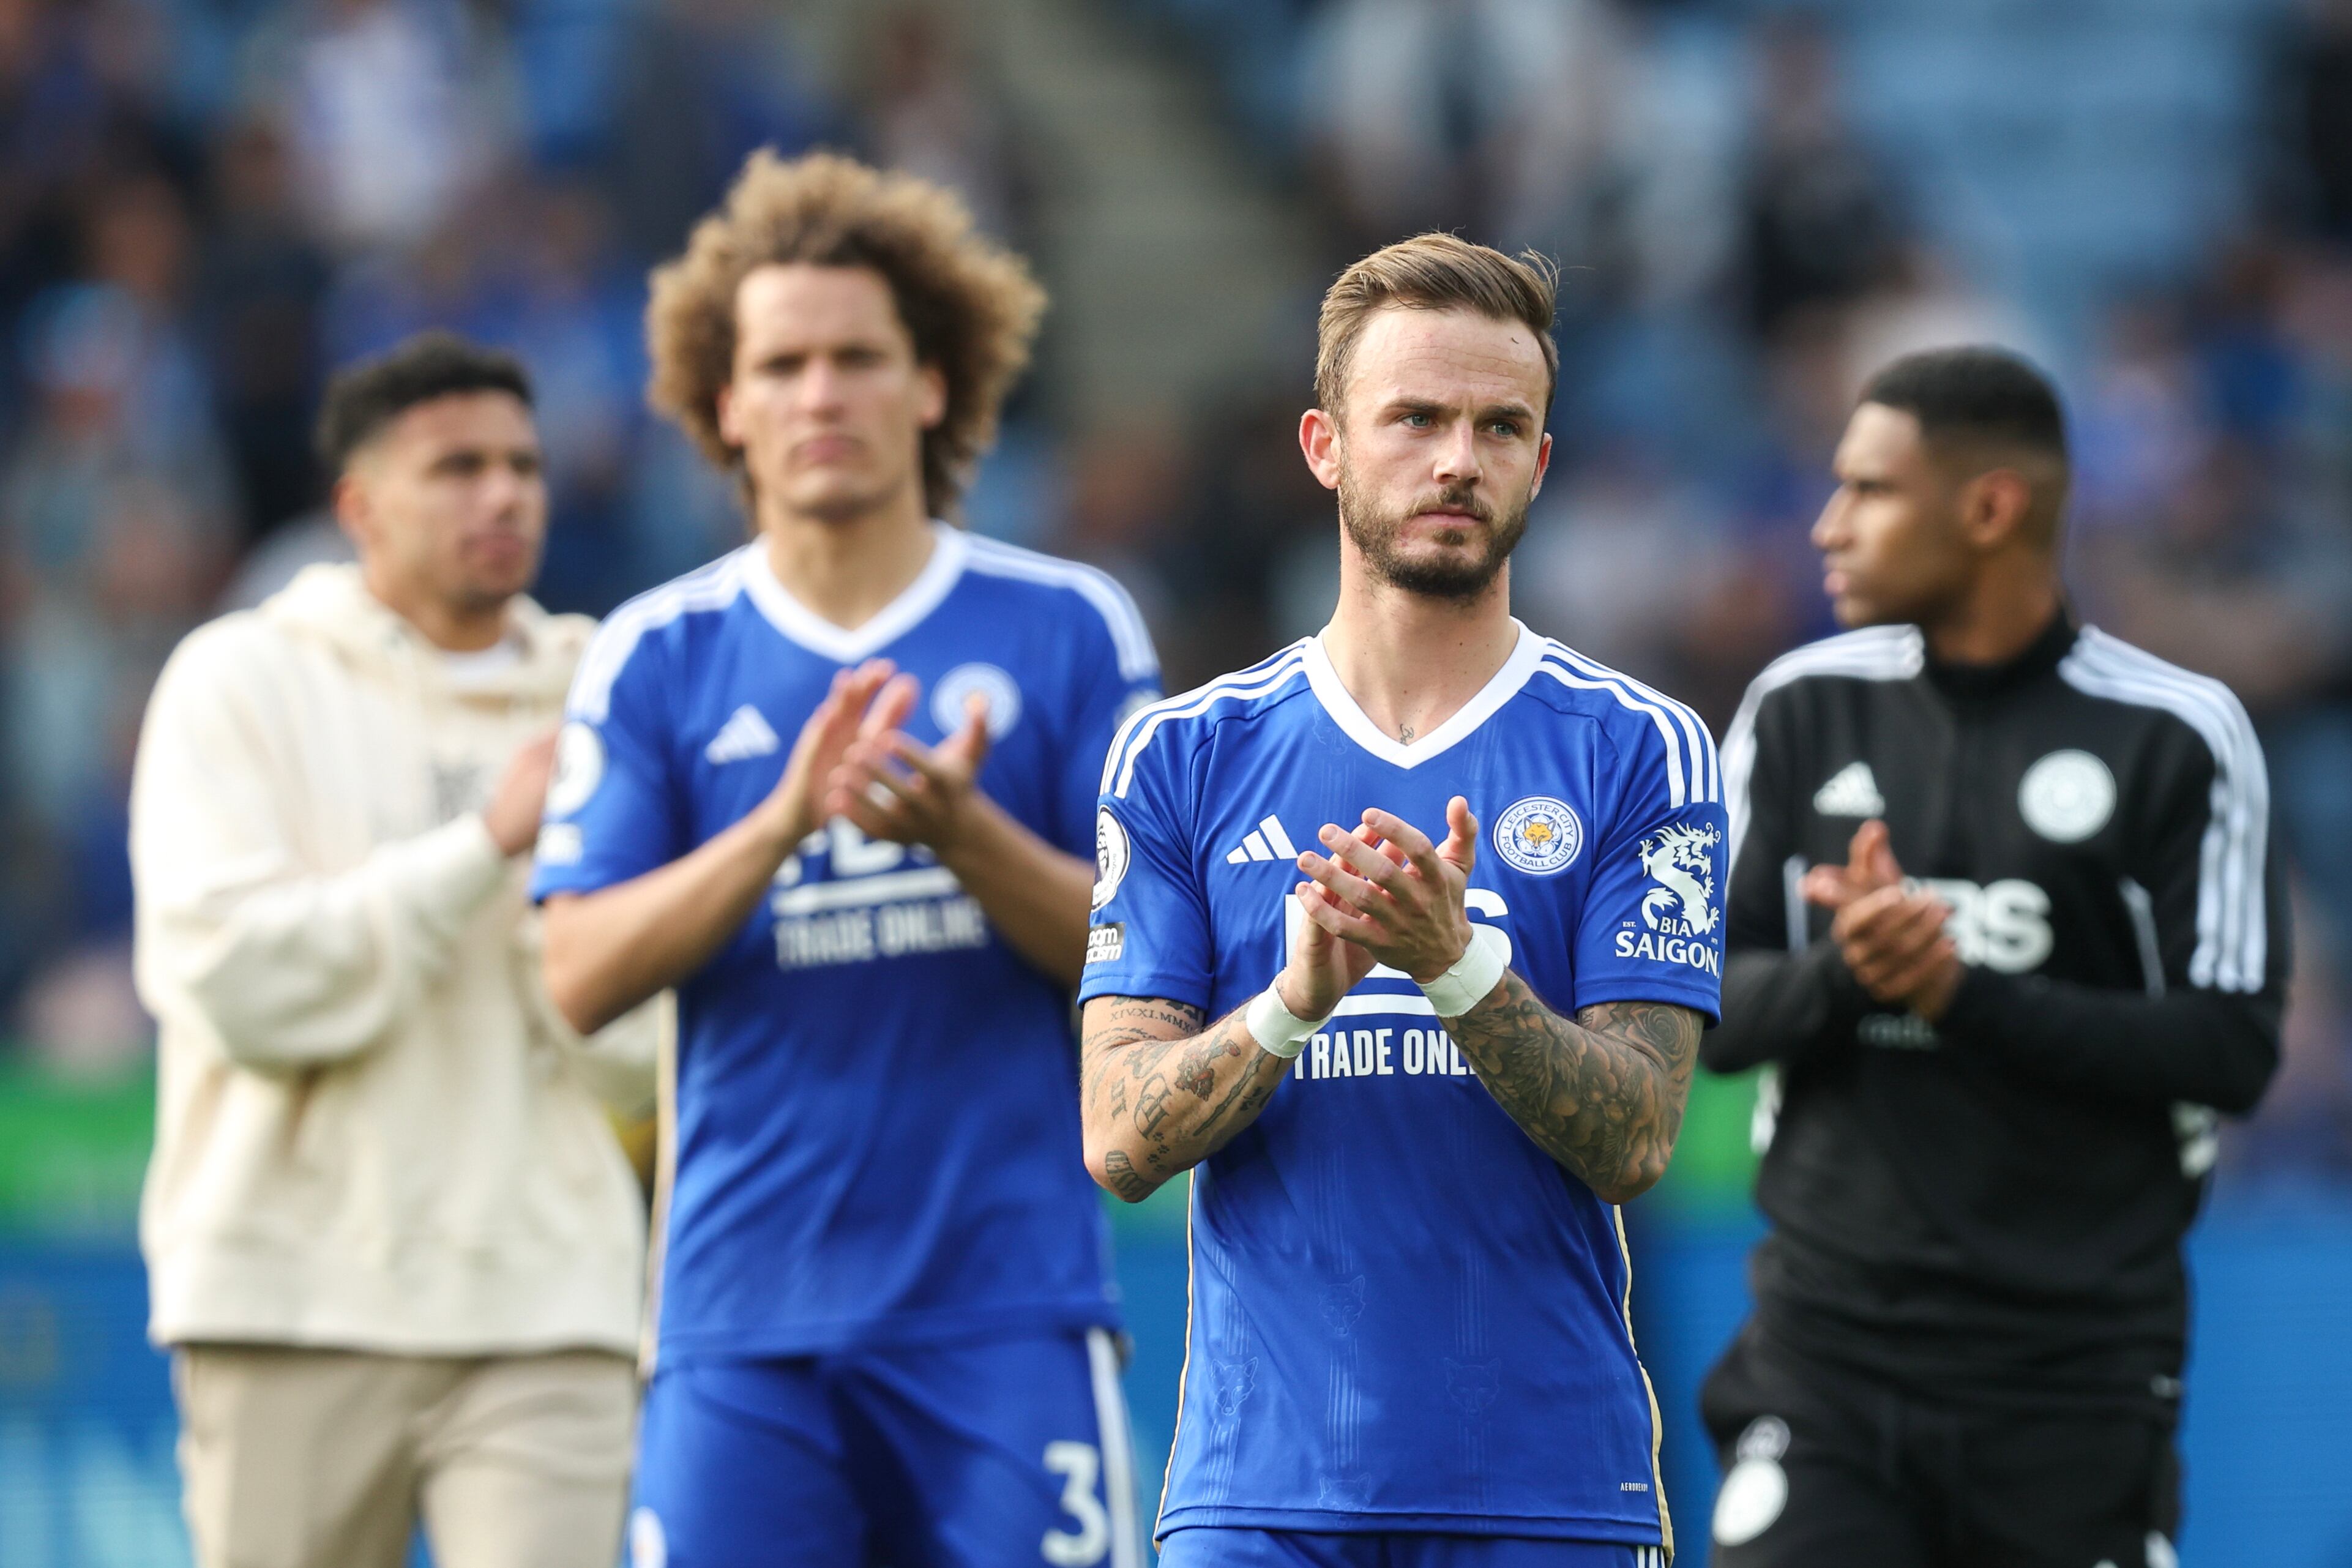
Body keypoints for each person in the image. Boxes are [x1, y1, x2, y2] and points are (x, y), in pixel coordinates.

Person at [532, 150, 1160, 1568]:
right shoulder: (656, 653)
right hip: (741, 1324)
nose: (821, 395)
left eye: (858, 359)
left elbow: (1152, 960)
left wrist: (964, 837)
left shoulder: (1069, 627)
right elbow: (575, 975)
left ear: (931, 383)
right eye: (783, 365)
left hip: (1004, 1312)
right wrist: (775, 825)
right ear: (725, 404)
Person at [1078, 233, 1719, 1566]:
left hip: (1545, 1494)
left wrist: (1457, 969)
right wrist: (1290, 1003)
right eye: (1415, 418)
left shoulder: (1638, 749)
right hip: (1258, 1500)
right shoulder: (1184, 754)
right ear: (1323, 446)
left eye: (1500, 427)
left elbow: (1637, 1138)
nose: (1457, 460)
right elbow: (1121, 1141)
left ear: (1541, 463)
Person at [1701, 346, 2285, 1568]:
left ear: (1988, 508)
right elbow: (1709, 1013)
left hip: (2071, 1374)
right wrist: (1848, 971)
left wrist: (1959, 992)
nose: (1826, 525)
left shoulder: (2175, 733)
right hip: (1827, 1357)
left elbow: (2230, 1049)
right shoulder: (1801, 705)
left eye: (1869, 490)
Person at [130, 332, 663, 1568]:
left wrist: (558, 929)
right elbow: (234, 983)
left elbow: (643, 1050)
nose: (504, 495)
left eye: (524, 466)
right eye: (458, 468)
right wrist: (483, 848)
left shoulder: (609, 692)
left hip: (552, 1300)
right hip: (290, 1299)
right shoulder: (236, 680)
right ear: (359, 506)